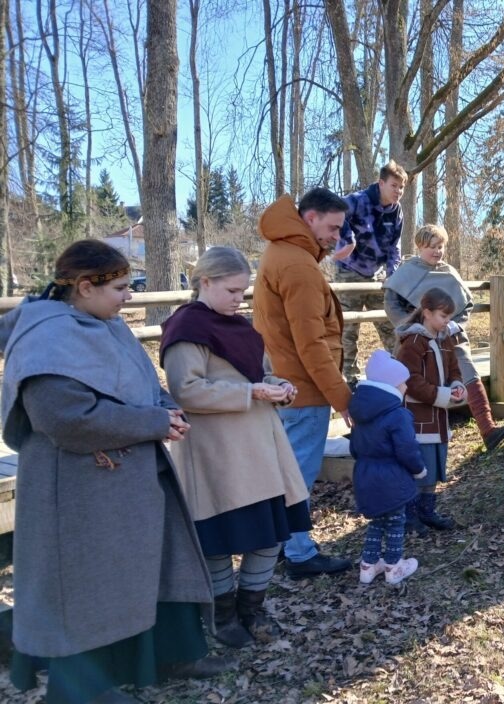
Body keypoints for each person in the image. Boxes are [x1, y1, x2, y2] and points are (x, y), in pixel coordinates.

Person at [1, 240, 233, 704]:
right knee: (87, 590)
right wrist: (152, 422)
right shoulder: (47, 335)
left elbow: (144, 386)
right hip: (77, 489)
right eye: (122, 288)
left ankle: (169, 654)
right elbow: (62, 416)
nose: (130, 296)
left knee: (157, 567)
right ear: (85, 287)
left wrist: (166, 409)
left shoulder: (104, 323)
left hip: (132, 476)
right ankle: (83, 689)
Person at [161, 247, 312, 648]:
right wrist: (251, 391)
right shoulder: (186, 330)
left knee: (270, 535)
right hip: (219, 456)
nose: (238, 299)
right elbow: (186, 390)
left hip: (262, 450)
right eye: (231, 290)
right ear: (204, 282)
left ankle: (252, 609)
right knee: (218, 542)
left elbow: (256, 373)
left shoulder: (240, 327)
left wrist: (277, 385)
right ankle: (223, 615)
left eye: (242, 291)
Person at [254, 187, 354, 578]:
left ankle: (280, 543)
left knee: (285, 470)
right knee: (298, 474)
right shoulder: (298, 266)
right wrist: (342, 399)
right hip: (302, 389)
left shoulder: (282, 253)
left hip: (286, 382)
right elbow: (312, 344)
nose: (336, 236)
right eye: (332, 227)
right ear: (310, 218)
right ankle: (298, 552)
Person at [383, 223, 504, 452]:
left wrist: (455, 325)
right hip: (417, 338)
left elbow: (466, 305)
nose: (437, 251)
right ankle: (400, 437)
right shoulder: (406, 272)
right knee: (410, 379)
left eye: (440, 246)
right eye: (431, 247)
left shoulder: (449, 272)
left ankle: (488, 429)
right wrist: (414, 326)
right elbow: (392, 304)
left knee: (467, 367)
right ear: (420, 246)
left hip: (449, 335)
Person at [350, 350, 428, 586]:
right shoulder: (397, 415)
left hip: (364, 475)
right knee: (395, 521)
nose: (406, 387)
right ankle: (394, 566)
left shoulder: (360, 412)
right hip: (391, 478)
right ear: (393, 385)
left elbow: (354, 448)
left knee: (376, 521)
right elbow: (407, 448)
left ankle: (368, 565)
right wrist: (418, 469)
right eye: (403, 382)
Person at [394, 288, 467, 534]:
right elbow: (411, 380)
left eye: (449, 316)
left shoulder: (444, 338)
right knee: (419, 466)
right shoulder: (414, 342)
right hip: (419, 418)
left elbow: (454, 369)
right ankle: (409, 515)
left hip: (439, 417)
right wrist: (441, 396)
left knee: (434, 465)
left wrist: (457, 388)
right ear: (426, 313)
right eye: (442, 316)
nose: (447, 321)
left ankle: (427, 511)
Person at [333, 160, 407, 383]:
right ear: (381, 183)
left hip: (376, 276)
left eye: (402, 187)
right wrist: (347, 240)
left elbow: (395, 246)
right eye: (394, 186)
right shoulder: (358, 200)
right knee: (348, 329)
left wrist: (392, 274)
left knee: (390, 323)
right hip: (349, 272)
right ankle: (350, 379)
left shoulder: (396, 212)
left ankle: (401, 373)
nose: (398, 191)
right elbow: (336, 213)